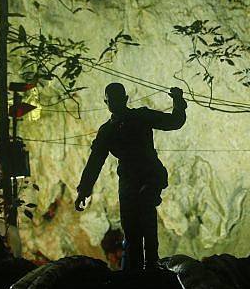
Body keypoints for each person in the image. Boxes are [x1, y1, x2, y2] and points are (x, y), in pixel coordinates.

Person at [75, 83, 187, 271]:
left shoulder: (137, 118)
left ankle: (149, 265)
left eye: (117, 100)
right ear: (107, 102)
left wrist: (178, 101)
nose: (115, 104)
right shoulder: (109, 130)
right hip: (131, 179)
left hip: (147, 175)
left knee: (145, 216)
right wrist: (83, 190)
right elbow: (95, 162)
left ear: (123, 100)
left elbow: (174, 122)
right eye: (112, 101)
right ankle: (136, 270)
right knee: (132, 227)